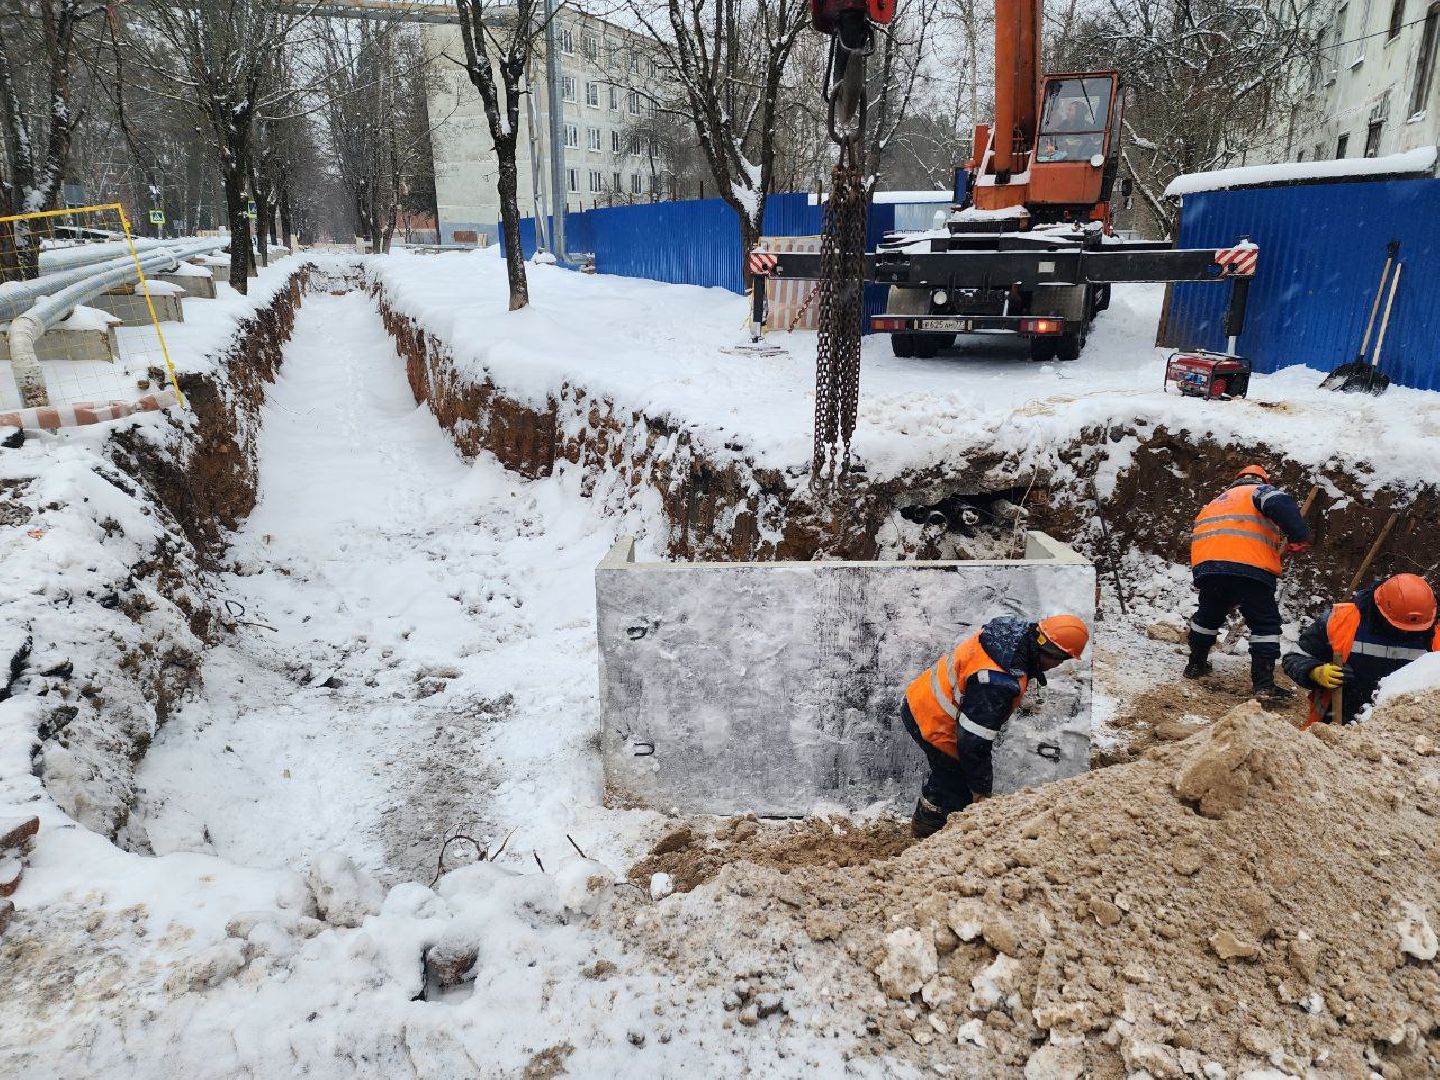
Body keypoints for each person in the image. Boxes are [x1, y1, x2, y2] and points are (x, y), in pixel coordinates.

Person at [901, 613, 1089, 838]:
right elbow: (973, 743)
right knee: (959, 793)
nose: (1058, 665)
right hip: (933, 722)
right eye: (1061, 659)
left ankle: (925, 821)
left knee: (946, 776)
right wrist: (981, 792)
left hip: (922, 699)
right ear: (1048, 651)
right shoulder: (996, 682)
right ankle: (935, 839)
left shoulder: (1010, 632)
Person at [1185, 465, 1310, 700]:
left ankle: (1195, 665)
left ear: (1236, 479)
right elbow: (1281, 505)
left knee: (1207, 618)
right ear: (1260, 480)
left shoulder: (1213, 504)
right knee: (1264, 624)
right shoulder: (1258, 491)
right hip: (1248, 568)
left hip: (1210, 569)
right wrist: (1298, 536)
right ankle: (1264, 685)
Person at [1283, 573, 1439, 727]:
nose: (1406, 633)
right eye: (1399, 627)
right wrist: (1314, 672)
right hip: (1334, 727)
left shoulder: (1435, 635)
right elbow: (1295, 657)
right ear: (1380, 608)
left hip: (1403, 732)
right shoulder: (1342, 620)